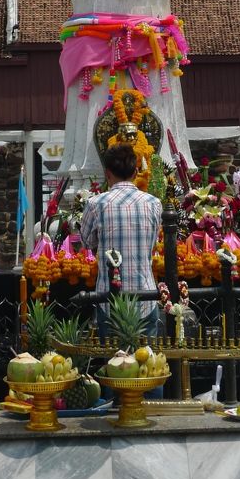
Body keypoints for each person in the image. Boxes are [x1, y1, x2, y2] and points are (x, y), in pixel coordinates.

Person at [80, 143, 161, 338]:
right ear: (135, 172)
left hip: (109, 298)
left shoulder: (95, 204)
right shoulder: (154, 203)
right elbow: (154, 240)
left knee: (115, 364)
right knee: (150, 364)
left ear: (107, 173)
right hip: (146, 296)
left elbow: (86, 243)